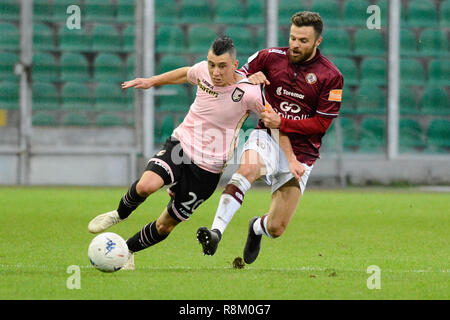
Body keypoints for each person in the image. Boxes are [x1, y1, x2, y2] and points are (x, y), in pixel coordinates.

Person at [87, 36, 271, 269]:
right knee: (146, 186)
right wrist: (151, 81)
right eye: (212, 64)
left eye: (222, 66)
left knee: (166, 225)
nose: (215, 71)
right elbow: (186, 73)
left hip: (208, 170)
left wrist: (272, 111)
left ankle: (127, 250)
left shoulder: (249, 93)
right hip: (181, 146)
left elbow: (270, 116)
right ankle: (119, 214)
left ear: (235, 66)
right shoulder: (203, 71)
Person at [197, 11, 344, 264]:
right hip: (267, 135)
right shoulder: (269, 57)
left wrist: (283, 121)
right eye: (293, 37)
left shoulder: (331, 76)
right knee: (248, 168)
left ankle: (256, 228)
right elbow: (234, 78)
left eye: (303, 41)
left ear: (318, 42)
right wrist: (248, 79)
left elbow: (321, 124)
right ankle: (216, 231)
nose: (295, 45)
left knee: (276, 228)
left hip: (302, 154)